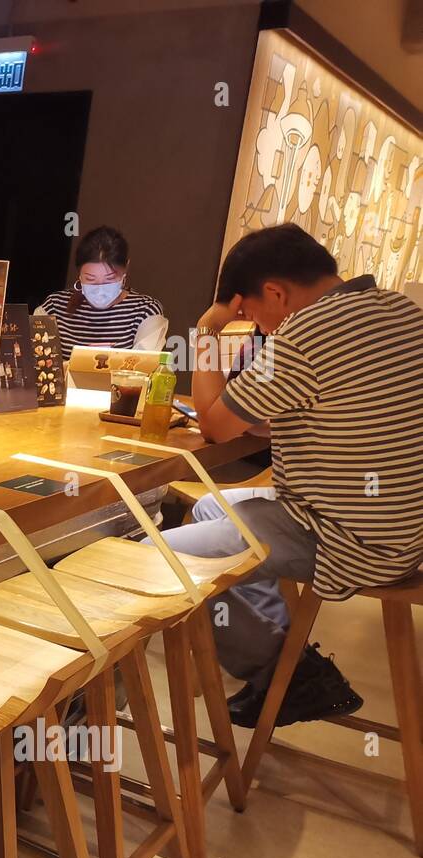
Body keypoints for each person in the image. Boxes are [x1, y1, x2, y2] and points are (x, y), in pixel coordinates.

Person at [161, 222, 423, 727]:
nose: (258, 327)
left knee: (153, 562)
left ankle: (286, 671)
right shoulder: (398, 308)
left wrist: (209, 330)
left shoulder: (310, 331)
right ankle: (284, 668)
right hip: (406, 529)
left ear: (276, 293)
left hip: (351, 537)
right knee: (213, 506)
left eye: (252, 314)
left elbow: (215, 426)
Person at [38, 226, 167, 359]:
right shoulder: (54, 307)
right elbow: (37, 362)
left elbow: (143, 368)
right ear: (79, 274)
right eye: (90, 279)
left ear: (126, 268)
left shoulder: (145, 311)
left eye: (109, 279)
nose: (100, 289)